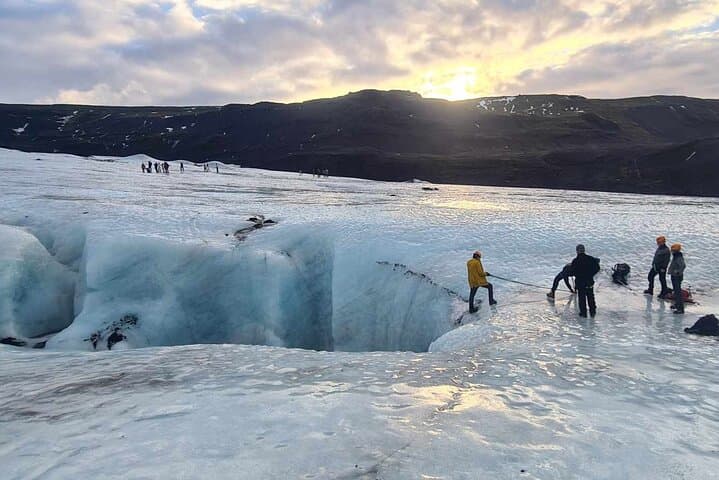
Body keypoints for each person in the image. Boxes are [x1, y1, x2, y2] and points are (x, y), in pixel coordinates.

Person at [570, 244, 600, 317]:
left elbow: (572, 272)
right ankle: (592, 311)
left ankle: (583, 313)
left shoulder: (575, 261)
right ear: (584, 250)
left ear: (577, 251)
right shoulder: (591, 259)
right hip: (589, 280)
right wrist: (591, 274)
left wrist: (578, 274)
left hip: (580, 282)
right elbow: (597, 268)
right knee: (590, 296)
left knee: (582, 298)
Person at [668, 243, 686, 314]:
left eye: (672, 250)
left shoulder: (678, 257)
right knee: (676, 291)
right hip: (675, 276)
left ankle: (680, 309)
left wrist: (677, 272)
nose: (671, 251)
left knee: (678, 292)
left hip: (677, 276)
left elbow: (683, 266)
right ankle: (677, 304)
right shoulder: (676, 256)